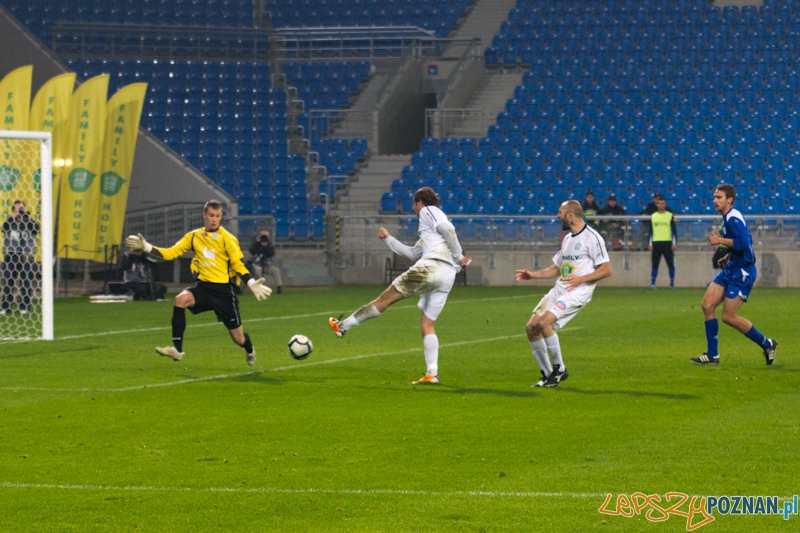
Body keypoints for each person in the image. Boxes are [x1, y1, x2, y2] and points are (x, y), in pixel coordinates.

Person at [327, 187, 471, 385]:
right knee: (427, 324)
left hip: (431, 267)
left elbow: (449, 229)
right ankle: (432, 373)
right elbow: (412, 253)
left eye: (413, 204)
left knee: (384, 300)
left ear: (420, 202)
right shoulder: (430, 233)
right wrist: (388, 239)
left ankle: (342, 326)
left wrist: (459, 255)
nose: (413, 209)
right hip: (447, 276)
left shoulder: (429, 211)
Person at [125, 200, 272, 366]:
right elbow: (170, 254)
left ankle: (250, 348)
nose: (214, 219)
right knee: (180, 300)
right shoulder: (194, 236)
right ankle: (177, 350)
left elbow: (238, 264)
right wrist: (145, 246)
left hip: (224, 293)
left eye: (217, 216)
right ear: (204, 215)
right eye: (211, 215)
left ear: (221, 216)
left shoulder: (228, 239)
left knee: (238, 339)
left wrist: (251, 282)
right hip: (203, 288)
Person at [514, 200, 612, 387]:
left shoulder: (593, 237)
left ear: (570, 215)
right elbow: (557, 268)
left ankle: (559, 369)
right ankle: (547, 374)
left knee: (544, 323)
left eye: (560, 212)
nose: (557, 216)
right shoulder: (567, 239)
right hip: (560, 288)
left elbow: (607, 270)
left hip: (579, 291)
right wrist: (532, 275)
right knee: (531, 327)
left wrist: (580, 279)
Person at [691, 184, 778, 366]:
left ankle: (767, 344)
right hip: (732, 267)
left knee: (729, 317)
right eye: (714, 197)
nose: (714, 200)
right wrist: (728, 256)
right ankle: (712, 355)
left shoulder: (733, 218)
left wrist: (720, 241)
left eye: (719, 197)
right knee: (707, 305)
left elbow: (745, 242)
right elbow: (746, 240)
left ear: (729, 200)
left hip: (743, 272)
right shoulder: (728, 218)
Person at [1, 200, 39, 315]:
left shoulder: (29, 221)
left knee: (25, 282)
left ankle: (25, 307)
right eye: (17, 209)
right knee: (8, 282)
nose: (19, 212)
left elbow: (36, 229)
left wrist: (27, 218)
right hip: (11, 254)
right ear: (13, 210)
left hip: (25, 255)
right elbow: (3, 229)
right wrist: (13, 217)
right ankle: (5, 307)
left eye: (21, 209)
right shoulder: (9, 221)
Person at [648, 195, 677, 290]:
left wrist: (674, 243)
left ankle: (672, 284)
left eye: (663, 203)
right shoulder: (653, 216)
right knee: (655, 264)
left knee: (670, 264)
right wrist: (650, 244)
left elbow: (673, 231)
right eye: (659, 203)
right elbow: (651, 231)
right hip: (656, 242)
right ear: (657, 204)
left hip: (667, 242)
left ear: (665, 204)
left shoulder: (670, 215)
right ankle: (653, 283)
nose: (661, 205)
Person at [247, 230, 282, 294]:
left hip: (266, 265)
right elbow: (251, 251)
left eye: (266, 236)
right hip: (256, 265)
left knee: (275, 271)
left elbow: (270, 254)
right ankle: (260, 287)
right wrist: (257, 243)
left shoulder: (270, 245)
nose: (264, 237)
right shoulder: (255, 244)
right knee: (258, 270)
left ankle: (279, 288)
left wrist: (265, 246)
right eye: (263, 236)